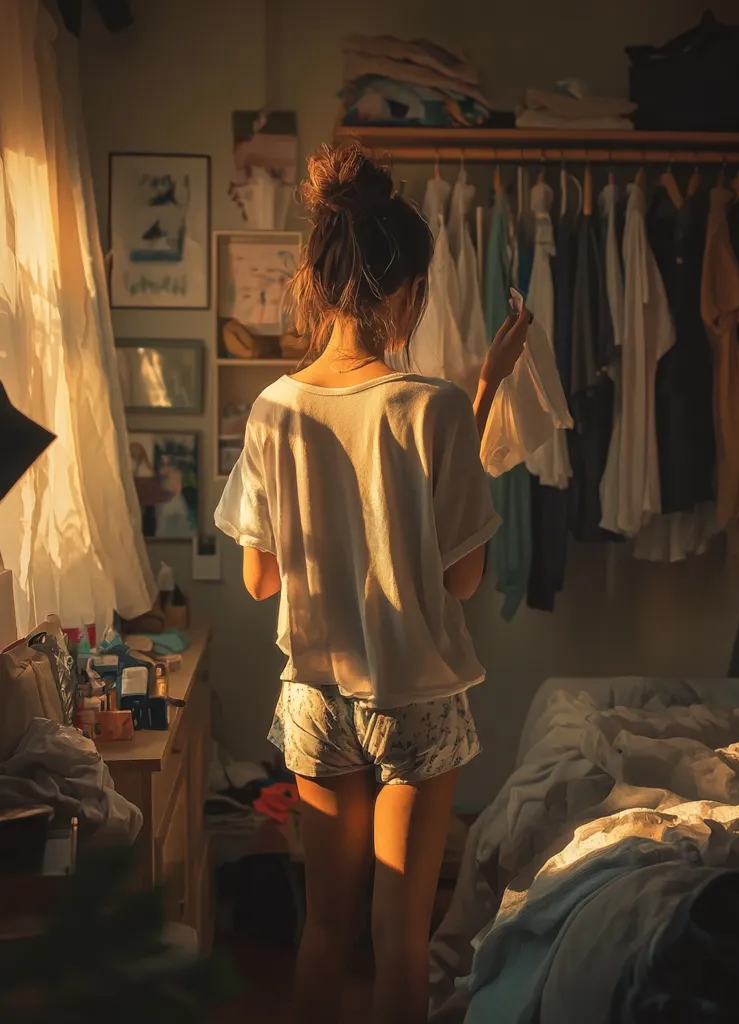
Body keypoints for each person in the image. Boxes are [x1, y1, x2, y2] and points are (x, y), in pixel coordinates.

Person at [214, 143, 529, 1024]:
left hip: (315, 700)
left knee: (325, 929)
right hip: (413, 699)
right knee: (399, 937)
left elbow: (256, 575)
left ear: (317, 281)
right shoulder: (431, 407)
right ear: (408, 291)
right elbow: (461, 578)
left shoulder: (272, 408)